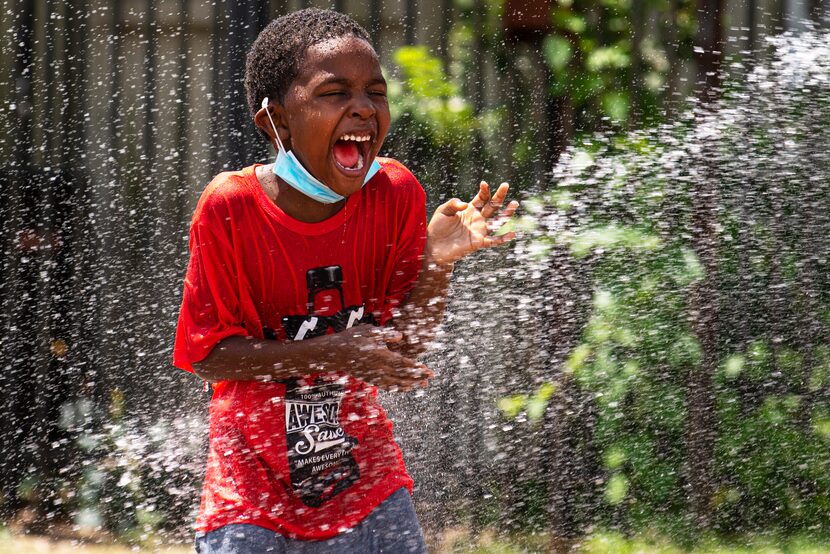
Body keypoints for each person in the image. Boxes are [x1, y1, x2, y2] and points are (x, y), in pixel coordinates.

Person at [173, 8, 518, 554]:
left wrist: (439, 260)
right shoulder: (231, 206)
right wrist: (334, 354)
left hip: (366, 486)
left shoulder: (397, 193)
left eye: (375, 92)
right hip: (251, 493)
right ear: (276, 121)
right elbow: (207, 356)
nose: (362, 106)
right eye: (334, 92)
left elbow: (402, 349)